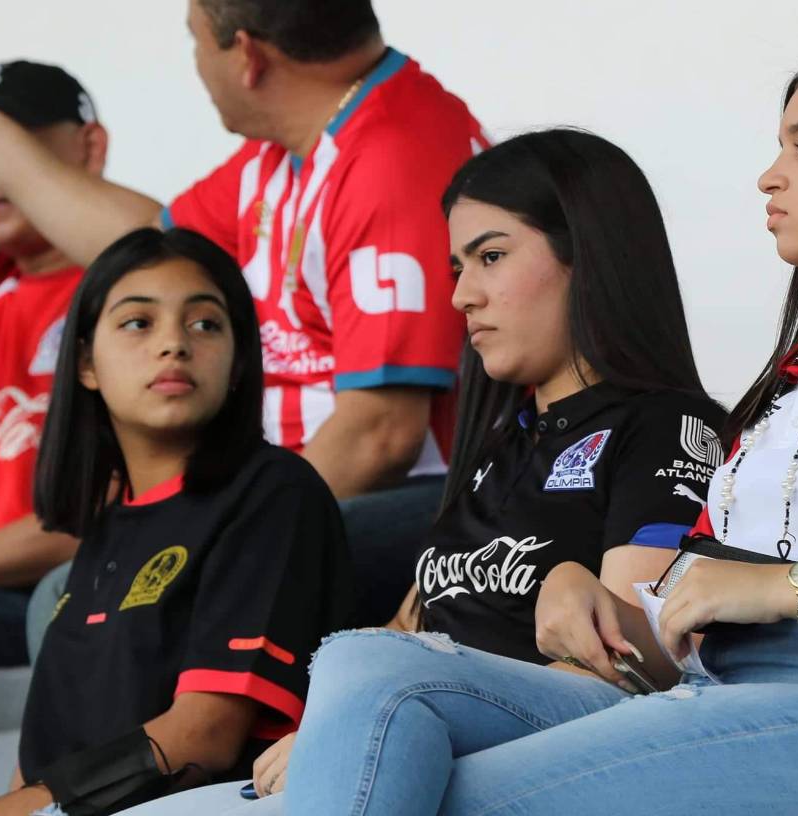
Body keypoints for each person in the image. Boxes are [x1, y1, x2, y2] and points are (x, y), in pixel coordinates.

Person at [275, 38, 798, 814]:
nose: (769, 177)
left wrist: (789, 586)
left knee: (436, 796)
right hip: (722, 690)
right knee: (363, 662)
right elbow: (686, 620)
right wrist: (589, 605)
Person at [113, 128, 727, 814]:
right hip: (411, 731)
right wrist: (337, 725)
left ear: (588, 255)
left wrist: (371, 708)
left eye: (490, 257)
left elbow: (632, 664)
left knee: (359, 667)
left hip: (547, 758)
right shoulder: (498, 447)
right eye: (456, 269)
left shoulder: (667, 422)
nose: (463, 295)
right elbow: (411, 631)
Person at [0, 0, 488, 626]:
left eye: (195, 42)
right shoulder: (292, 149)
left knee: (96, 603)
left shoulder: (391, 157)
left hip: (419, 499)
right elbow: (147, 245)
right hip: (302, 489)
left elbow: (381, 437)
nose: (196, 66)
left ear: (247, 55)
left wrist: (218, 535)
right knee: (82, 595)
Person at [0, 228, 353, 816]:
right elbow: (35, 762)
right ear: (86, 365)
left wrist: (21, 809)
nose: (174, 343)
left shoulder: (273, 492)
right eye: (138, 323)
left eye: (205, 324)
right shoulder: (105, 531)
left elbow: (203, 737)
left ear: (238, 362)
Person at [0, 61, 106, 667]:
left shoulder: (134, 290)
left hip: (43, 594)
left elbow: (96, 513)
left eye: (11, 149)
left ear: (89, 147)